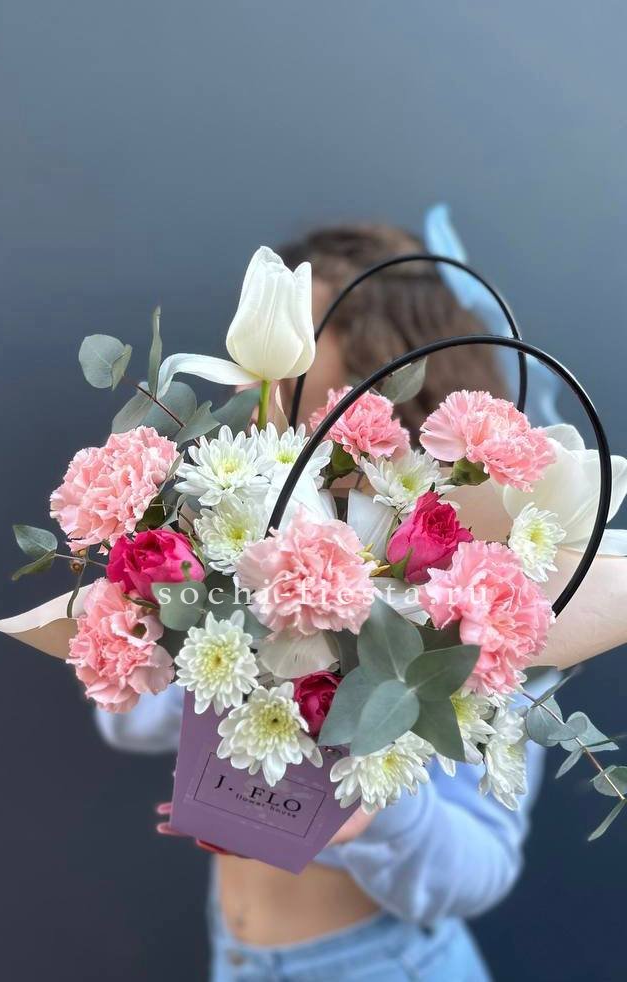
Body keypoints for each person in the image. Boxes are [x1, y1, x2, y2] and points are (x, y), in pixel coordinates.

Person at [97, 220, 552, 981]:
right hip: (235, 957)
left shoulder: (480, 595)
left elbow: (482, 872)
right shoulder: (237, 523)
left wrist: (378, 808)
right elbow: (128, 725)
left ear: (381, 376)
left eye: (292, 339)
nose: (251, 378)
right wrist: (160, 626)